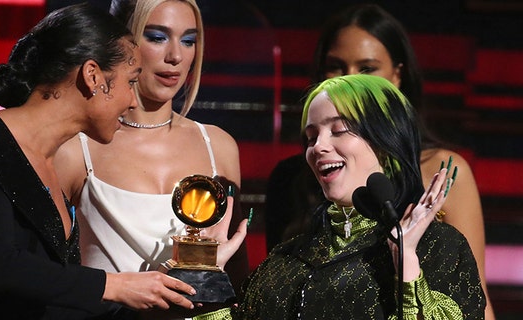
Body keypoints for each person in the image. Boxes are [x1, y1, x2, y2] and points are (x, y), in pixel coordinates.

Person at [0, 3, 200, 319]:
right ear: (93, 76)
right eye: (129, 81)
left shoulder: (52, 164)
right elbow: (2, 267)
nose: (131, 101)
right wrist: (115, 285)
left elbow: (48, 298)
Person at [265, 4, 494, 318]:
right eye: (336, 67)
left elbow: (474, 297)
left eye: (367, 68)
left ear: (397, 75)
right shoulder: (294, 176)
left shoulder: (445, 171)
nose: (350, 80)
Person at [233, 74, 485, 319]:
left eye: (339, 129)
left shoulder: (438, 247)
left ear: (386, 141)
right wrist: (210, 275)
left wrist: (406, 263)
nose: (318, 146)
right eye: (311, 137)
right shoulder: (286, 258)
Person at [54, 0, 249, 317]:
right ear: (122, 43)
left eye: (188, 40)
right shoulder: (77, 148)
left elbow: (238, 281)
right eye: (157, 37)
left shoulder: (219, 145)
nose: (175, 56)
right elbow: (50, 276)